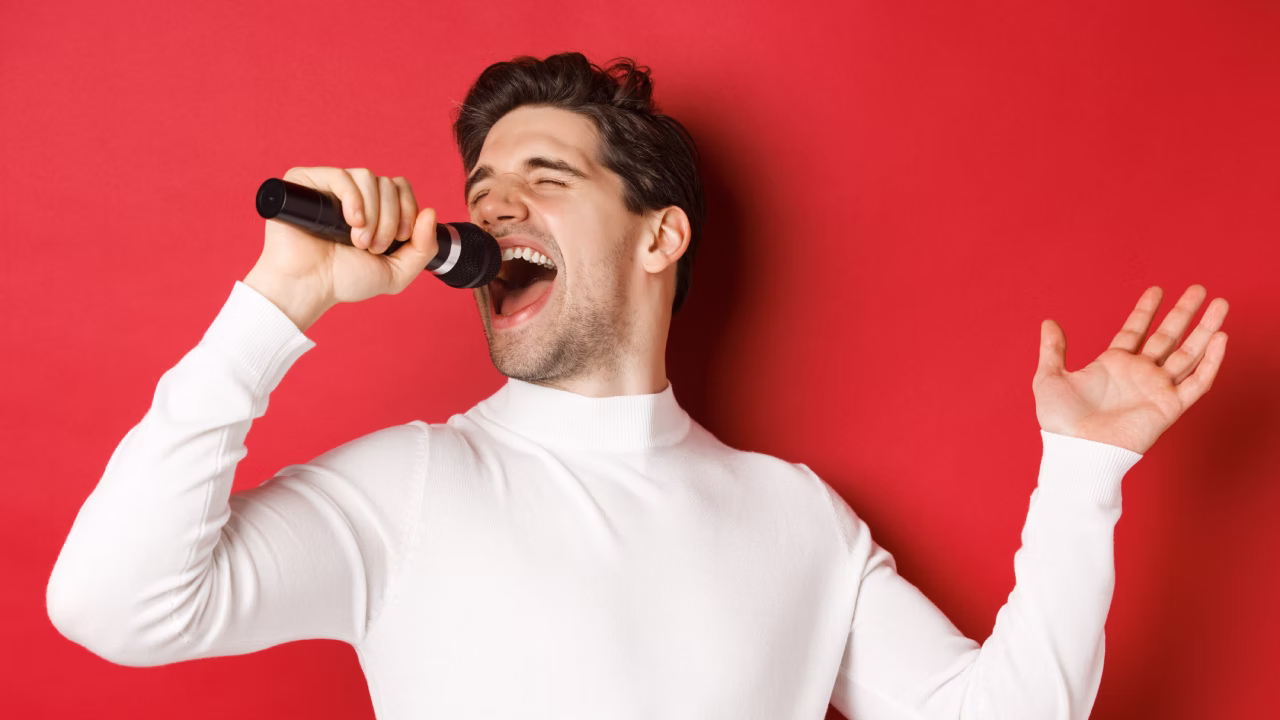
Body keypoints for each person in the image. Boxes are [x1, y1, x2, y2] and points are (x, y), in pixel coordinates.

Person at [46, 52, 1230, 720]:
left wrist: (1083, 473)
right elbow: (113, 604)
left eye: (543, 176)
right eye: (483, 181)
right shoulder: (408, 485)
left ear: (657, 239)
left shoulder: (793, 516)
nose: (493, 206)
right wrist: (278, 301)